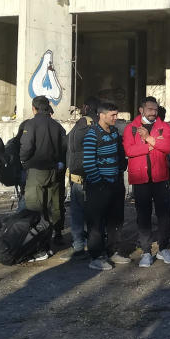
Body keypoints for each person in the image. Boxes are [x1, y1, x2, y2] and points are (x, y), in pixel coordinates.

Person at [123, 96, 170, 267]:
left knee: (164, 215)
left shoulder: (164, 127)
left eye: (155, 109)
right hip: (140, 179)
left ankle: (163, 248)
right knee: (143, 216)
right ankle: (146, 251)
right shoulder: (131, 128)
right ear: (141, 110)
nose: (153, 112)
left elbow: (169, 146)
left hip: (161, 177)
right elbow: (129, 151)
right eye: (150, 109)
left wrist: (148, 138)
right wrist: (151, 145)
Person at [19, 95, 68, 261]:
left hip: (36, 171)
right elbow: (64, 148)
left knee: (35, 208)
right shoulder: (57, 126)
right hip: (55, 171)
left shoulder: (30, 124)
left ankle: (39, 247)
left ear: (34, 108)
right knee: (54, 205)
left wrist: (24, 161)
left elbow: (26, 147)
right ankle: (58, 234)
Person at [82, 101, 129, 270]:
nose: (116, 118)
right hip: (99, 186)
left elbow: (120, 154)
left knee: (116, 220)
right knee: (97, 223)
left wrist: (120, 171)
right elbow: (88, 162)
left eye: (116, 114)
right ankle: (97, 256)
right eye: (113, 115)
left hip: (116, 184)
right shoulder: (92, 134)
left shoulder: (115, 132)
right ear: (101, 116)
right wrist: (99, 183)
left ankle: (113, 251)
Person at [66, 97, 99, 257]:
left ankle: (79, 244)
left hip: (80, 175)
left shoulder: (82, 124)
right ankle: (97, 242)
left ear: (86, 107)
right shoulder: (104, 124)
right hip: (98, 175)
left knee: (78, 211)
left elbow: (70, 146)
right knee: (96, 212)